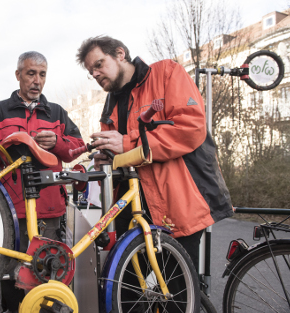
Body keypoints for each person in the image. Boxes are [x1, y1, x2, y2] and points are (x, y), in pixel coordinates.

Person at [76, 36, 233, 308]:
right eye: (91, 72)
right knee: (122, 292)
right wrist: (106, 158)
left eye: (99, 64)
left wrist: (126, 143)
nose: (96, 74)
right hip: (132, 205)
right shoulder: (109, 106)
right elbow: (120, 155)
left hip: (176, 202)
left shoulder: (166, 73)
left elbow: (190, 128)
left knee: (178, 293)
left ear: (120, 54)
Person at [0, 51, 84, 313]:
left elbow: (78, 147)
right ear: (18, 75)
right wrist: (6, 145)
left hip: (49, 208)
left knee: (48, 267)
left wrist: (57, 142)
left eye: (42, 74)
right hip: (9, 208)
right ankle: (12, 310)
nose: (37, 80)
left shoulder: (57, 113)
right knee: (11, 270)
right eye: (31, 73)